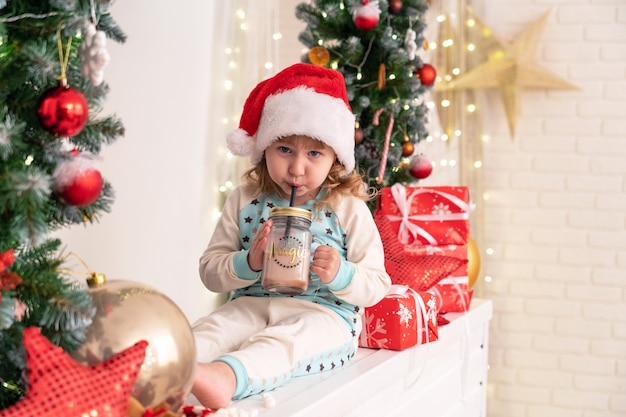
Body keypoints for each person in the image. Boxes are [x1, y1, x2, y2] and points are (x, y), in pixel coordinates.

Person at [190, 63, 391, 410]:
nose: (297, 168)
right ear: (265, 147)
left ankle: (224, 378)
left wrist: (341, 273)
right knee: (212, 329)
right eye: (284, 150)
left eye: (314, 153)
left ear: (335, 157)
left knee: (283, 343)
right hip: (250, 304)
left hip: (323, 316)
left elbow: (377, 284)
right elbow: (210, 270)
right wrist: (248, 261)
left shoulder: (346, 208)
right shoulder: (244, 199)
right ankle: (161, 372)